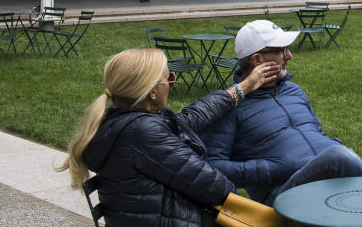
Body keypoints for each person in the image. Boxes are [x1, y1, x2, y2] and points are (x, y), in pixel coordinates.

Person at [56, 47, 279, 227]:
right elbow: (214, 187)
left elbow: (191, 117)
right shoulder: (143, 133)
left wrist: (243, 87)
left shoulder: (123, 122)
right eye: (169, 78)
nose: (172, 83)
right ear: (153, 91)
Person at [202, 20, 362, 205]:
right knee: (337, 157)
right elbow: (212, 168)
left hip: (324, 174)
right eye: (281, 50)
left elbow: (316, 132)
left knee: (341, 157)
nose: (290, 56)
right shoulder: (229, 106)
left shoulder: (293, 90)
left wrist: (329, 145)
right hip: (281, 193)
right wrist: (270, 168)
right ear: (257, 60)